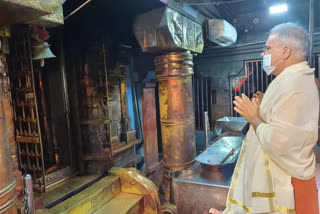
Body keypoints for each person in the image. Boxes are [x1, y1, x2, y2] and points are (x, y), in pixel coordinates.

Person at [207, 22, 320, 214]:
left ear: (285, 51)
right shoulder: (287, 80)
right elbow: (282, 125)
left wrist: (253, 117)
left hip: (286, 185)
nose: (263, 54)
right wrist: (261, 111)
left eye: (267, 48)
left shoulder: (296, 85)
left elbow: (281, 142)